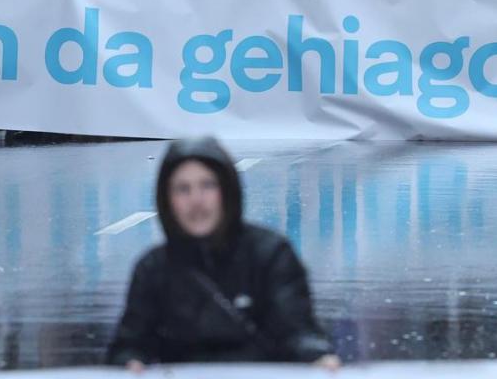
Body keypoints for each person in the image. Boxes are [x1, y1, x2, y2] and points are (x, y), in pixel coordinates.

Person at [107, 137, 339, 369]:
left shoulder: (270, 254)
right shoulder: (153, 269)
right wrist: (130, 362)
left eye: (207, 185)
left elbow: (296, 330)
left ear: (227, 191)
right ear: (166, 200)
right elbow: (130, 344)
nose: (196, 201)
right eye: (183, 189)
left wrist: (317, 356)